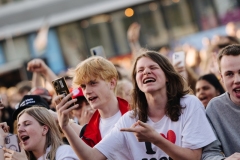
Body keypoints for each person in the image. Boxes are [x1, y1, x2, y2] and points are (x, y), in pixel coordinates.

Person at [56, 50, 216, 160]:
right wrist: (65, 127)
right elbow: (93, 157)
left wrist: (156, 139)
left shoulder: (189, 104)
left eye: (153, 68)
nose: (146, 72)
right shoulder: (129, 119)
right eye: (140, 71)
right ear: (137, 82)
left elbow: (194, 157)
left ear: (167, 76)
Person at [55, 56, 129, 147]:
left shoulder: (137, 114)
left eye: (93, 83)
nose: (87, 91)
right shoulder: (89, 131)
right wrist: (65, 125)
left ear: (112, 83)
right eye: (83, 86)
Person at [0, 103, 79, 159]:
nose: (19, 130)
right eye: (18, 126)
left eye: (27, 124)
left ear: (44, 129)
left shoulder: (64, 152)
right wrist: (2, 140)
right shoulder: (22, 156)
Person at [202, 44, 240, 159]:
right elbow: (209, 153)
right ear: (221, 78)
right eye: (229, 74)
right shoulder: (214, 108)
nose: (237, 80)